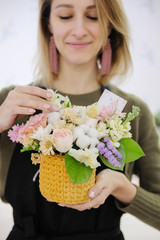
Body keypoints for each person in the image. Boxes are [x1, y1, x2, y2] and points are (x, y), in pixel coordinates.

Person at [0, 0, 160, 239]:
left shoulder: (133, 111)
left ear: (110, 27)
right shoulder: (13, 103)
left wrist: (125, 189)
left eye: (93, 17)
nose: (79, 29)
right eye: (65, 16)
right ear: (48, 25)